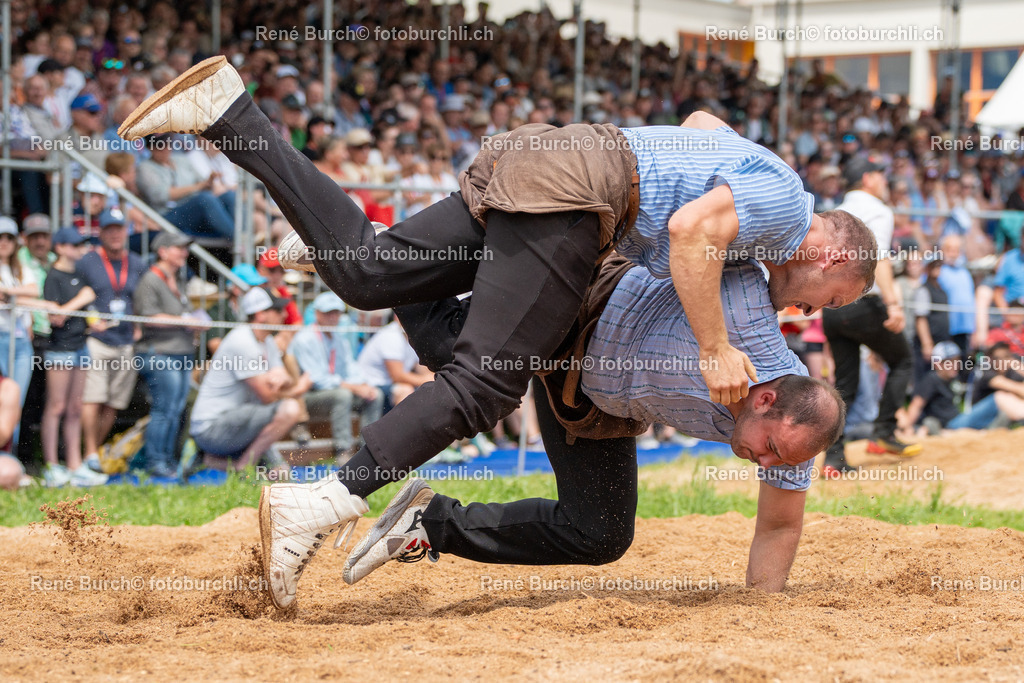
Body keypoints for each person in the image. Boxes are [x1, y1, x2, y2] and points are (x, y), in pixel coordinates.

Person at [119, 58, 873, 606]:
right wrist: (715, 344)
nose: (808, 312)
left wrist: (765, 617)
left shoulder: (784, 373)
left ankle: (234, 117)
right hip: (582, 227)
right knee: (479, 380)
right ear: (767, 394)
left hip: (588, 374)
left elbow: (705, 125)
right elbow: (690, 224)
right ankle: (318, 503)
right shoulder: (755, 267)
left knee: (371, 278)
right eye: (825, 296)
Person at [339, 259, 845, 598]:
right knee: (453, 356)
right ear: (766, 397)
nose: (767, 464)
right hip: (586, 306)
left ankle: (432, 523)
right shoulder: (747, 317)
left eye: (784, 461)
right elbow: (710, 217)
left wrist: (759, 612)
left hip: (589, 399)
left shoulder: (794, 440)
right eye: (772, 449)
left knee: (601, 533)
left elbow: (780, 525)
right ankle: (397, 258)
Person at [823, 157, 919, 471]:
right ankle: (883, 434)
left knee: (845, 383)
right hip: (864, 304)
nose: (884, 180)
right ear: (868, 178)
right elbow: (880, 259)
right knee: (903, 360)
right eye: (881, 174)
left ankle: (834, 459)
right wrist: (893, 304)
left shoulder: (836, 211)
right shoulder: (878, 210)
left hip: (831, 306)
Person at [190, 287, 309, 471]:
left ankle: (208, 460)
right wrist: (298, 388)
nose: (284, 314)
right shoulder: (242, 342)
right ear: (261, 315)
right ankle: (243, 469)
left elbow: (283, 379)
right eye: (277, 310)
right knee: (290, 408)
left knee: (281, 473)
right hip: (211, 429)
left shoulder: (265, 340)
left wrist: (283, 380)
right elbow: (268, 396)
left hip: (239, 422)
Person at [75, 208, 147, 470]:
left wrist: (138, 325)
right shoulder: (87, 262)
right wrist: (89, 321)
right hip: (97, 339)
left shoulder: (137, 263)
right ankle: (89, 453)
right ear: (101, 233)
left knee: (114, 401)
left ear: (125, 232)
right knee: (93, 397)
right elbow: (77, 295)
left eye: (119, 229)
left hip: (126, 339)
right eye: (110, 229)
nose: (115, 234)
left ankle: (96, 453)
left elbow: (139, 298)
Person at [133, 231, 208, 478]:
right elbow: (148, 318)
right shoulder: (150, 280)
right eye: (178, 248)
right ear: (163, 251)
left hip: (179, 353)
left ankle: (168, 461)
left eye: (185, 248)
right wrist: (185, 320)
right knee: (165, 410)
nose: (184, 253)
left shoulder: (178, 279)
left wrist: (191, 323)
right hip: (159, 353)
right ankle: (156, 462)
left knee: (174, 410)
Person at [40, 227, 107, 487]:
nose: (80, 249)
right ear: (60, 247)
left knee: (75, 408)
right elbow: (55, 318)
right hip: (60, 349)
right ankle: (51, 466)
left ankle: (74, 465)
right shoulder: (53, 277)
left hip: (81, 345)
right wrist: (81, 299)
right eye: (75, 244)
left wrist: (94, 322)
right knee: (56, 407)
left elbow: (83, 310)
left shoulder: (78, 274)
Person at [288, 292, 383, 460]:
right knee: (343, 395)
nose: (333, 317)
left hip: (331, 392)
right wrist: (355, 386)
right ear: (317, 313)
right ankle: (343, 450)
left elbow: (351, 368)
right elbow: (317, 380)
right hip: (307, 398)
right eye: (328, 313)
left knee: (375, 394)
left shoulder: (339, 339)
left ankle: (367, 449)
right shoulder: (305, 338)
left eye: (336, 313)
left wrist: (364, 385)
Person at [16, 213, 55, 455]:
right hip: (29, 337)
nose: (40, 241)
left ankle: (37, 456)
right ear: (25, 239)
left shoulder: (54, 260)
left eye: (44, 236)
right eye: (34, 237)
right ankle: (22, 455)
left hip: (52, 337)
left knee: (44, 399)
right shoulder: (17, 261)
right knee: (26, 399)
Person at [0, 217, 39, 414]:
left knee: (16, 404)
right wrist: (17, 294)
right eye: (0, 237)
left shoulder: (20, 268)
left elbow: (33, 290)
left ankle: (10, 446)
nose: (4, 242)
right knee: (3, 402)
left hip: (21, 339)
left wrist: (8, 295)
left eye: (9, 237)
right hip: (1, 338)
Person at [357, 317, 432, 411]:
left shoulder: (411, 335)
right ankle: (405, 425)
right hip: (372, 384)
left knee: (432, 389)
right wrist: (427, 380)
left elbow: (422, 368)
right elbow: (397, 376)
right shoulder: (391, 335)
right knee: (405, 390)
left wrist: (432, 379)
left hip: (388, 385)